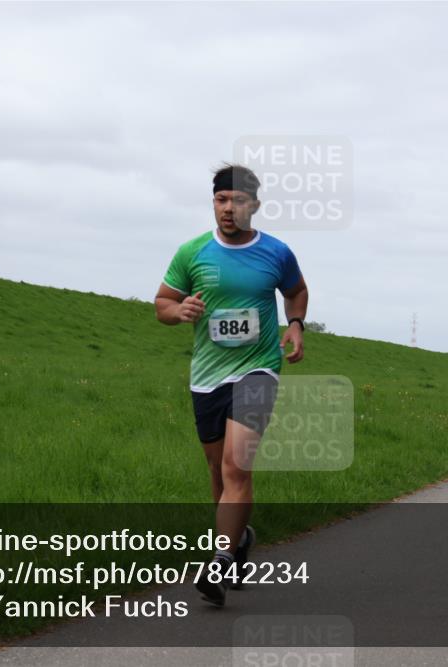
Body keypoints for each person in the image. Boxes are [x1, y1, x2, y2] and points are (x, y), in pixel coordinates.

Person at [154, 164, 308, 607]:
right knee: (218, 471)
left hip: (259, 367)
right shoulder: (192, 252)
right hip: (207, 375)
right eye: (221, 200)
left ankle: (219, 559)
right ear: (214, 202)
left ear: (254, 206)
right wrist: (178, 310)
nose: (228, 208)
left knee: (237, 466)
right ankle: (239, 539)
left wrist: (295, 324)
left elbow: (296, 292)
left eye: (238, 201)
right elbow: (161, 303)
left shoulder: (276, 252)